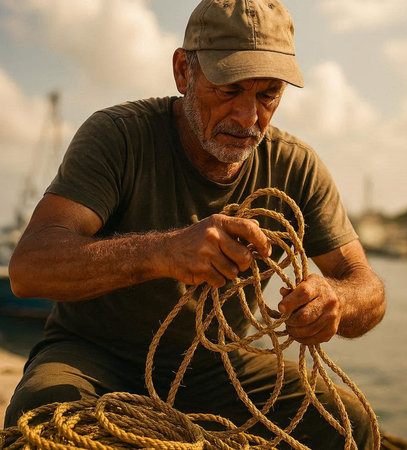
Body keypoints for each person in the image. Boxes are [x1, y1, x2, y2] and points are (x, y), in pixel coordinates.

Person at [5, 0, 385, 448]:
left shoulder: (295, 166)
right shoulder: (118, 137)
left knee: (350, 424)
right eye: (228, 89)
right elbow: (29, 269)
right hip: (92, 357)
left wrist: (336, 299)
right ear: (184, 71)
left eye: (268, 95)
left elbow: (367, 287)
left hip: (218, 371)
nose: (248, 119)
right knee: (43, 416)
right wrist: (161, 252)